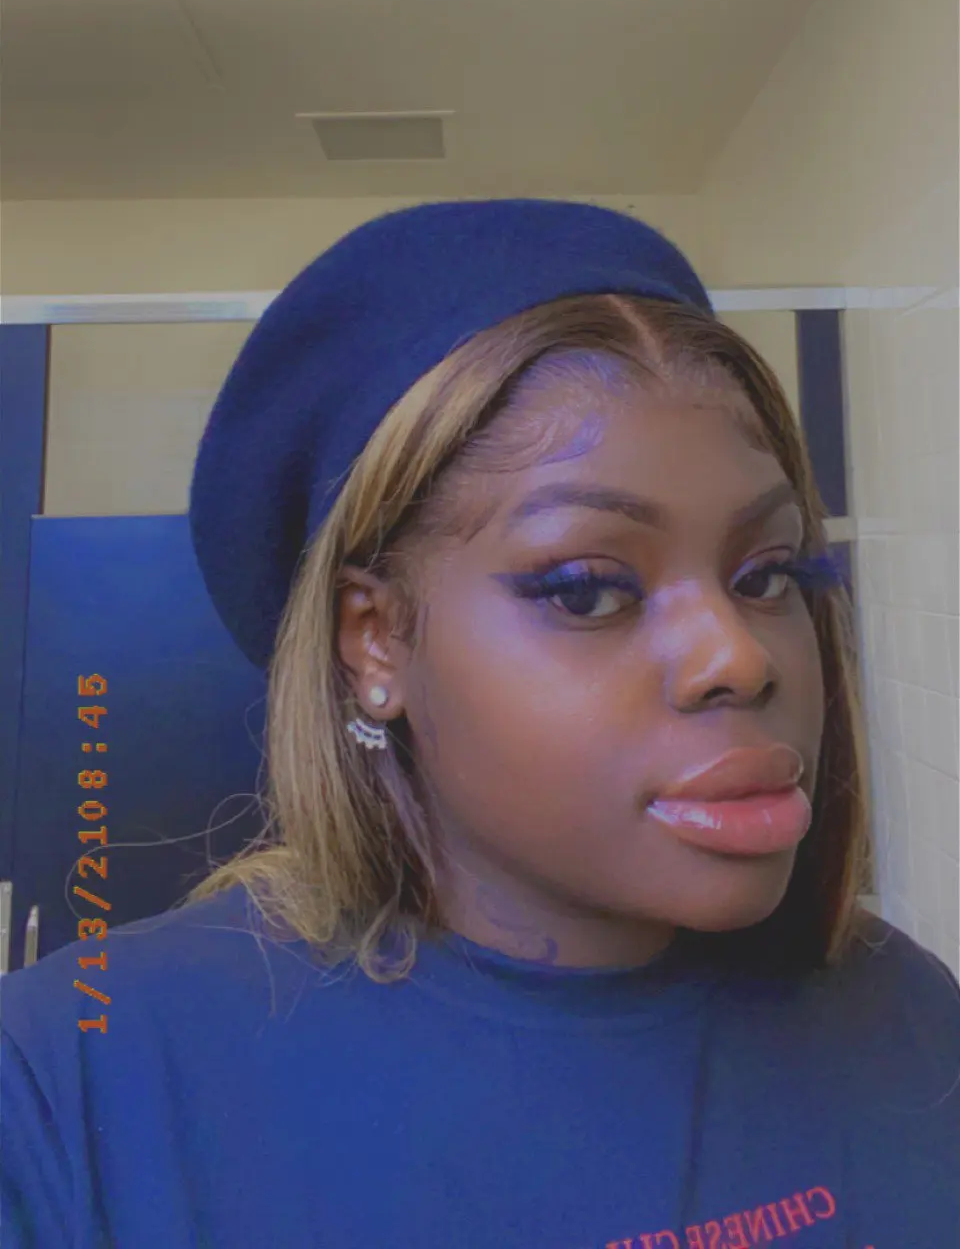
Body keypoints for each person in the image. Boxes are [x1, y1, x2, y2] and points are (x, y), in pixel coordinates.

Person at [1, 199, 957, 1249]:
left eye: (767, 573)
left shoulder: (906, 1013)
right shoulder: (65, 1085)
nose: (739, 656)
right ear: (375, 640)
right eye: (589, 589)